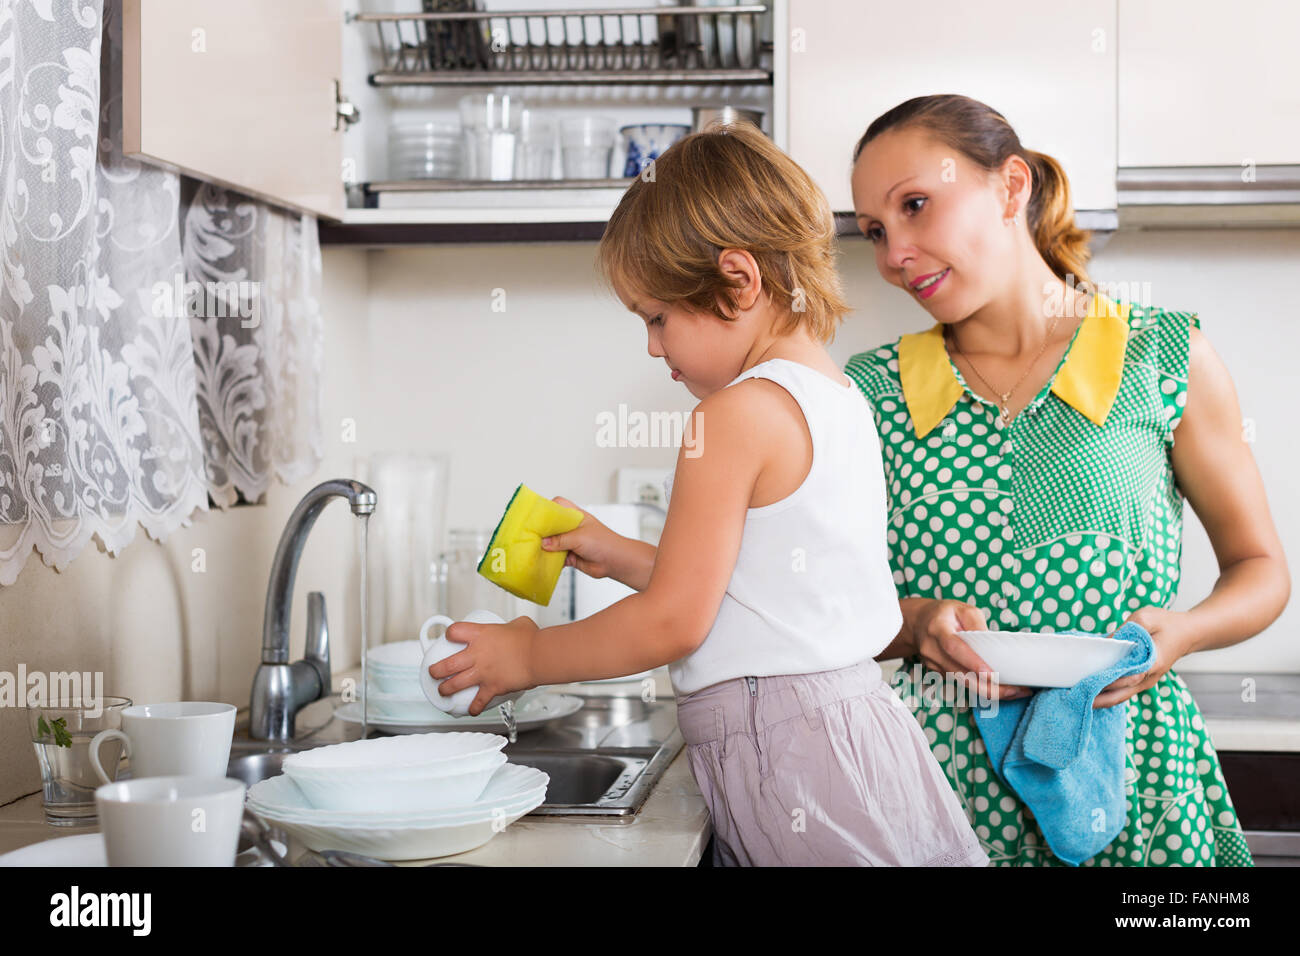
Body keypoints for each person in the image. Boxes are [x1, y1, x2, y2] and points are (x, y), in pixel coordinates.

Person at [428, 122, 989, 866]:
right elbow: (754, 585)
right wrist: (619, 553)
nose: (653, 346)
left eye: (657, 317)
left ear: (737, 280)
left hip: (790, 754)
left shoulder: (730, 416)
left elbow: (675, 623)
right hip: (857, 735)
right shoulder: (839, 397)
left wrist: (529, 658)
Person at [844, 93, 1290, 865]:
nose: (894, 254)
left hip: (1137, 775)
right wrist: (914, 625)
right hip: (935, 784)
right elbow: (826, 605)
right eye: (877, 232)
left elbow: (1262, 571)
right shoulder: (872, 390)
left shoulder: (1162, 356)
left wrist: (1181, 633)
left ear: (1011, 186)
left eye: (916, 206)